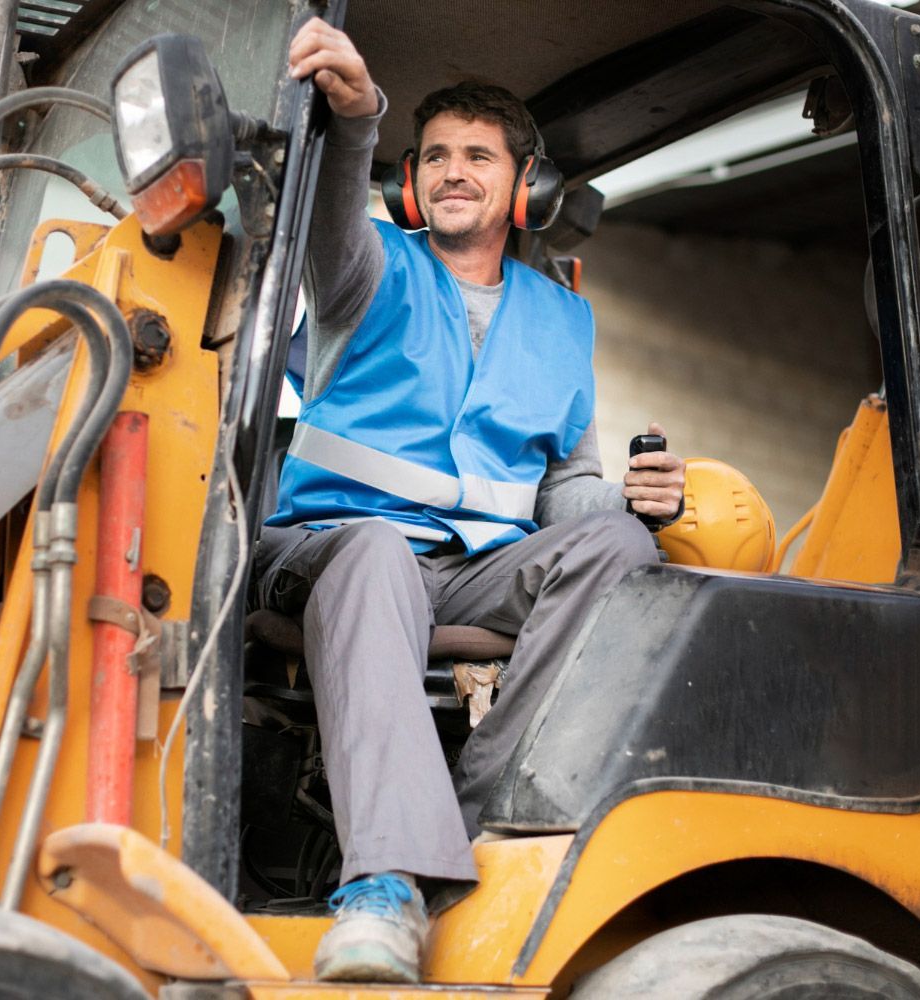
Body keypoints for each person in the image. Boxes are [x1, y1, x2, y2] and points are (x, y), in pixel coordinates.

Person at [254, 18, 687, 983]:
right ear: (413, 179)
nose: (454, 171)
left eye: (478, 156)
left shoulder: (563, 318)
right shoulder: (365, 269)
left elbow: (562, 486)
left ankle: (481, 814)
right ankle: (384, 885)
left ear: (524, 185)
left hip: (469, 571)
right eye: (437, 156)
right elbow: (329, 211)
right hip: (324, 549)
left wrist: (632, 502)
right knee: (370, 551)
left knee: (619, 547)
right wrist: (358, 116)